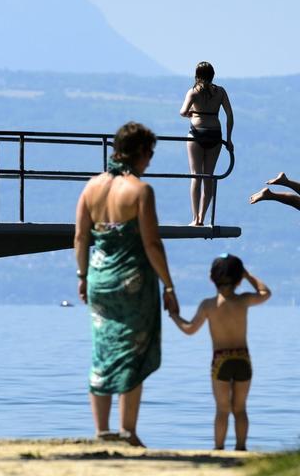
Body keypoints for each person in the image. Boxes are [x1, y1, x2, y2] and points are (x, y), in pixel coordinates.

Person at [74, 121, 179, 447]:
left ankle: (102, 430)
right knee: (132, 353)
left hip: (99, 279)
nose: (150, 160)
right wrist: (169, 285)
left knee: (103, 348)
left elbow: (80, 237)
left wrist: (82, 276)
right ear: (140, 153)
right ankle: (128, 431)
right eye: (150, 153)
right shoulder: (140, 191)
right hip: (133, 280)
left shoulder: (91, 188)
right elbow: (152, 244)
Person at [170, 254, 270, 451]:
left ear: (211, 278)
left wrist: (174, 315)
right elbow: (265, 292)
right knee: (240, 409)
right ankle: (241, 448)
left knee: (222, 409)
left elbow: (190, 329)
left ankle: (219, 449)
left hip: (221, 360)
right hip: (242, 358)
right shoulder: (244, 300)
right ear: (239, 279)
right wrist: (248, 275)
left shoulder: (208, 305)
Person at [179, 61, 234, 226]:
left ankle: (195, 218)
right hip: (215, 135)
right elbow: (230, 116)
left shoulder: (193, 92)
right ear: (212, 75)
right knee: (208, 176)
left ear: (197, 75)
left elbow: (182, 112)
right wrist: (229, 139)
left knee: (196, 176)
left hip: (196, 134)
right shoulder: (221, 92)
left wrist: (191, 113)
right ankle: (203, 217)